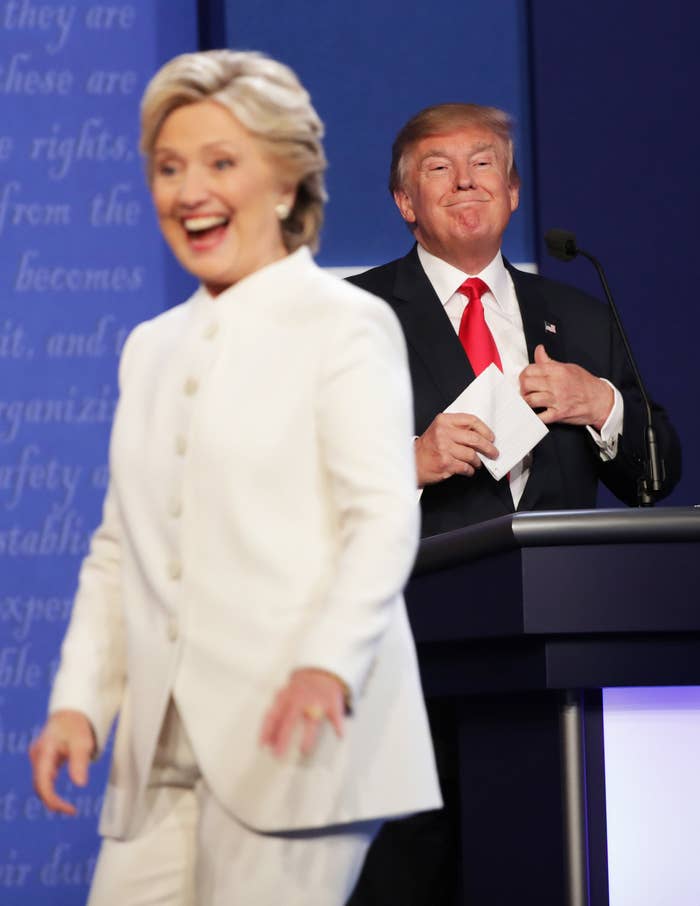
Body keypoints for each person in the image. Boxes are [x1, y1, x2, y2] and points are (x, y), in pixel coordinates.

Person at [28, 51, 440, 906]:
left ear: (287, 183)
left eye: (221, 163)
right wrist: (80, 703)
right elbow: (119, 551)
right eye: (169, 168)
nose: (188, 191)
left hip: (296, 747)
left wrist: (327, 663)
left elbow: (380, 519)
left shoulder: (346, 326)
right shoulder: (150, 348)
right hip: (158, 763)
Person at [346, 103, 681, 904]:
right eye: (438, 166)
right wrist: (410, 461)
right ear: (404, 202)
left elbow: (656, 477)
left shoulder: (583, 318)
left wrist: (601, 403)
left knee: (551, 862)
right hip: (416, 659)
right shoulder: (350, 322)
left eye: (484, 161)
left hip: (565, 670)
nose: (465, 180)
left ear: (514, 190)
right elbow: (290, 488)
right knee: (422, 866)